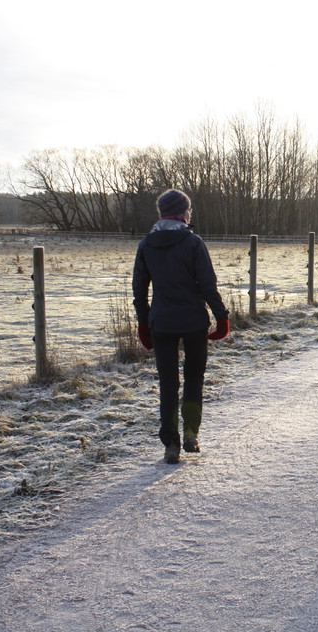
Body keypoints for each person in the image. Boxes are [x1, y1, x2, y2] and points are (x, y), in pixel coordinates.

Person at [132, 189, 231, 464]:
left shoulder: (146, 245)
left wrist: (143, 322)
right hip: (193, 323)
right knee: (194, 378)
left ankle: (171, 444)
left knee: (167, 382)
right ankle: (190, 432)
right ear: (182, 213)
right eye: (188, 210)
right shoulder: (193, 243)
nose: (190, 215)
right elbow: (208, 286)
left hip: (161, 323)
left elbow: (139, 290)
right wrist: (221, 317)